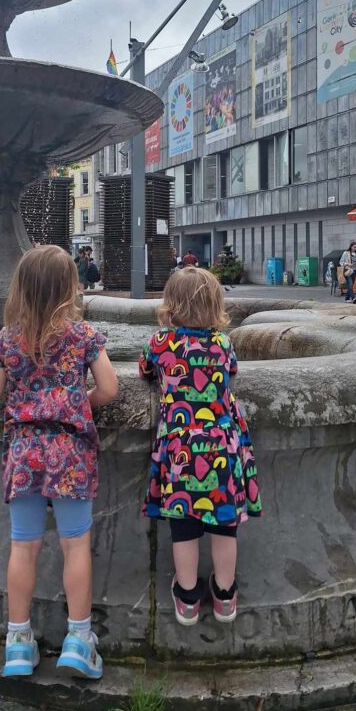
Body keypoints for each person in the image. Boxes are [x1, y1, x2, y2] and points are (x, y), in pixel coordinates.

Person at [0, 245, 119, 680]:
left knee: (24, 545)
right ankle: (79, 640)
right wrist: (81, 403)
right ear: (70, 288)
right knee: (74, 544)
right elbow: (111, 389)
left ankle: (18, 643)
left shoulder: (8, 337)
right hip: (69, 454)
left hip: (24, 453)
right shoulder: (81, 336)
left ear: (20, 288)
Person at [138, 266, 261, 626]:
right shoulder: (223, 344)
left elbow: (144, 371)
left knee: (184, 525)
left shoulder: (160, 344)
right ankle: (224, 596)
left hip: (181, 450)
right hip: (222, 447)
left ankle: (188, 596)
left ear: (169, 306)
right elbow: (232, 371)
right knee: (225, 526)